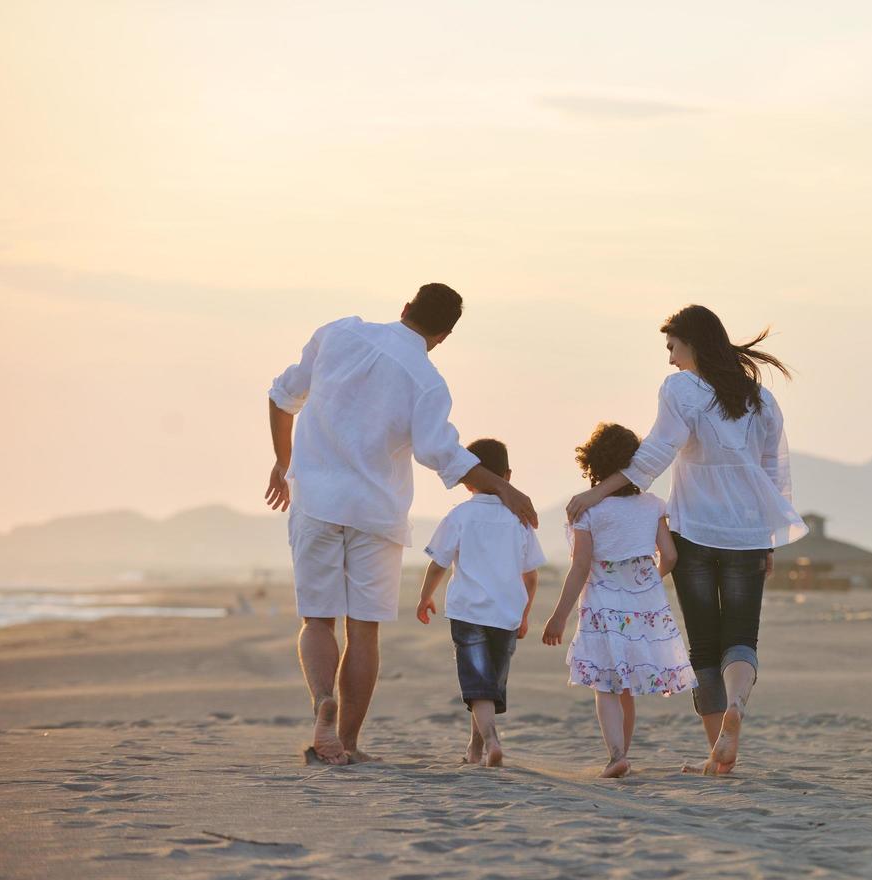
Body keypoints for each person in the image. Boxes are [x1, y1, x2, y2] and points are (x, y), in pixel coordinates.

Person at [266, 283, 538, 766]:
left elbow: (282, 395)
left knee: (317, 619)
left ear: (406, 308)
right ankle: (347, 743)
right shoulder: (428, 381)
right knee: (364, 631)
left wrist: (282, 462)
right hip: (377, 511)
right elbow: (445, 456)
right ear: (443, 335)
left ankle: (322, 701)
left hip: (316, 499)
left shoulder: (339, 333)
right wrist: (505, 488)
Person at [566, 306, 804, 775]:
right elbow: (773, 471)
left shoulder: (682, 389)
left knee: (703, 645)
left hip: (694, 530)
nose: (671, 360)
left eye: (673, 348)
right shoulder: (761, 401)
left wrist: (598, 490)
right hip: (749, 535)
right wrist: (768, 540)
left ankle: (718, 746)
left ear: (692, 343)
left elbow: (655, 452)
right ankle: (736, 707)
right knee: (741, 636)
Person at [543, 424, 696, 777]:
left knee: (605, 683)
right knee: (624, 682)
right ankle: (622, 753)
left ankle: (616, 756)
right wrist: (648, 583)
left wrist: (559, 617)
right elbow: (669, 555)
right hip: (644, 605)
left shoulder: (588, 509)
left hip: (602, 605)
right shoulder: (653, 505)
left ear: (593, 462)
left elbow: (581, 566)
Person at [416, 438, 546, 768]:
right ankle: (475, 750)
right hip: (506, 615)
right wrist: (526, 613)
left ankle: (491, 742)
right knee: (487, 687)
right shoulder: (520, 519)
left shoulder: (460, 515)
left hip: (468, 612)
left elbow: (439, 563)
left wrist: (425, 595)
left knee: (478, 687)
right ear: (508, 475)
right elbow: (531, 577)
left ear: (467, 478)